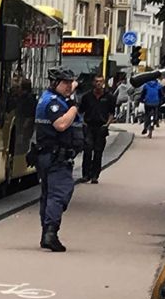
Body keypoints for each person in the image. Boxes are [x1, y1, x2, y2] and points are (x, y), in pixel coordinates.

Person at [34, 68, 84, 252]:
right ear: (55, 83)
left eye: (71, 83)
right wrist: (74, 107)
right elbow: (61, 124)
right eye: (65, 83)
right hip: (56, 157)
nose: (69, 86)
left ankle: (46, 233)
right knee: (59, 193)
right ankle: (50, 234)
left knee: (48, 195)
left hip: (49, 155)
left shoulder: (51, 98)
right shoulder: (53, 103)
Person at [77, 72, 111, 183]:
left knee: (98, 152)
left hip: (101, 127)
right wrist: (83, 122)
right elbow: (80, 110)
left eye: (100, 81)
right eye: (96, 81)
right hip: (89, 126)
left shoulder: (109, 97)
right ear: (93, 83)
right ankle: (85, 174)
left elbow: (111, 113)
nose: (98, 84)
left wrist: (107, 125)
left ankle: (95, 175)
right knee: (87, 150)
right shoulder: (87, 97)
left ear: (104, 83)